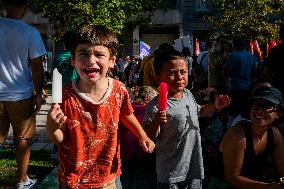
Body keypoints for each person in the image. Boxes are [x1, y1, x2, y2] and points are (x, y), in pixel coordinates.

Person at [45, 24, 155, 189]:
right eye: (83, 54)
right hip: (73, 180)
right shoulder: (64, 96)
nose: (91, 61)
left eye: (99, 54)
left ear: (112, 60)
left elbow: (126, 114)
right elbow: (58, 139)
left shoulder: (119, 89)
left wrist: (142, 135)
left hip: (108, 177)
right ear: (73, 60)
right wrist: (52, 127)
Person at [142, 49, 230, 189]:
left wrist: (215, 106)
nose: (179, 77)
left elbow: (199, 112)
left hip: (193, 167)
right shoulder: (155, 106)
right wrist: (157, 120)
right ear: (158, 78)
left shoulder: (188, 94)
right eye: (172, 73)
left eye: (183, 72)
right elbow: (148, 137)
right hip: (170, 173)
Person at [0, 0, 47, 188]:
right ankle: (22, 180)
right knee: (22, 140)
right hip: (21, 95)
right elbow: (37, 67)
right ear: (24, 9)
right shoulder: (30, 32)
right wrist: (38, 93)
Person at [208, 86, 284, 189]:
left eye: (266, 106)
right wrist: (268, 186)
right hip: (223, 185)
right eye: (256, 105)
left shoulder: (274, 134)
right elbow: (232, 179)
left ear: (278, 113)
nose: (259, 111)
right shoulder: (237, 135)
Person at [224, 37, 257, 117]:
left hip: (235, 87)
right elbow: (254, 72)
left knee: (234, 113)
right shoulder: (251, 56)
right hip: (248, 88)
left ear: (234, 45)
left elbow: (226, 72)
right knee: (245, 112)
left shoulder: (233, 56)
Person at [263, 25, 284, 95]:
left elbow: (266, 72)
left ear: (280, 36)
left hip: (279, 88)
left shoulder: (275, 50)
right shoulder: (274, 50)